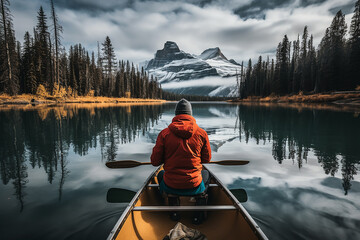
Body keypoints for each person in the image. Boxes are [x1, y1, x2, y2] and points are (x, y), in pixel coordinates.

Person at [151, 99, 212, 197]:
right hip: (194, 185)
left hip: (171, 185)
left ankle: (166, 199)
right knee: (205, 173)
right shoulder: (202, 134)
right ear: (190, 115)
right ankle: (200, 199)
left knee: (160, 174)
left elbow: (155, 162)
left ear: (176, 115)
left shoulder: (164, 134)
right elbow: (206, 160)